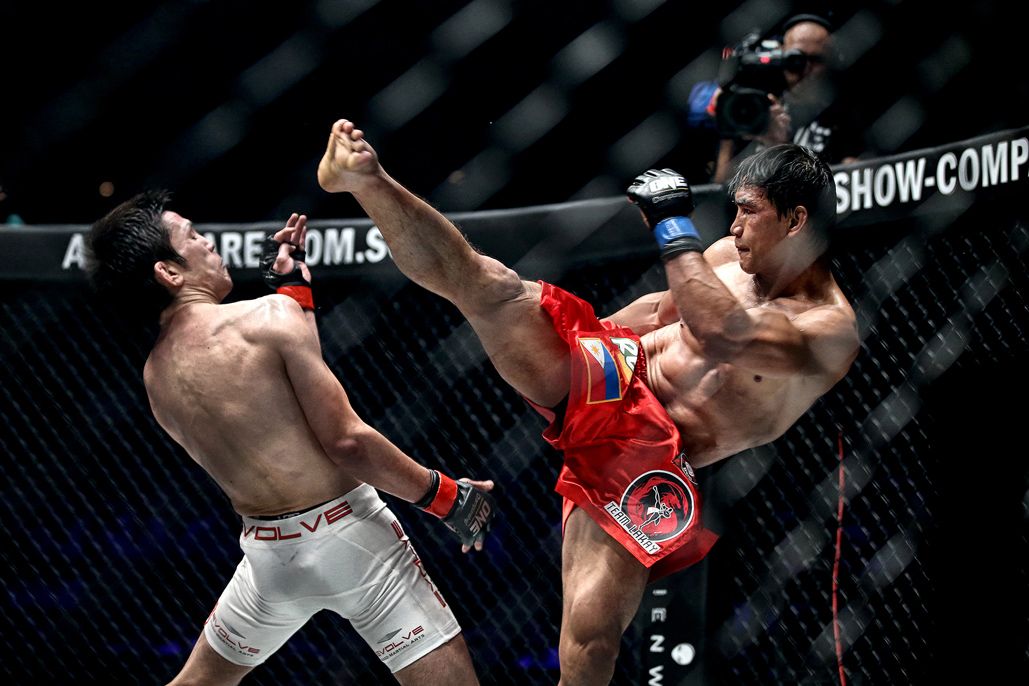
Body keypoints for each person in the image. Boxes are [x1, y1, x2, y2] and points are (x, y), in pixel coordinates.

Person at [316, 118, 860, 685]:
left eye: (749, 211)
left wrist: (672, 225)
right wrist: (571, 341)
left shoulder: (829, 330)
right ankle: (366, 178)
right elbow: (659, 311)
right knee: (493, 287)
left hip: (651, 453)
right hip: (613, 373)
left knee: (592, 636)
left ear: (796, 220)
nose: (735, 225)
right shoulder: (727, 256)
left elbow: (726, 334)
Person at [83, 193, 496, 685]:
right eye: (192, 236)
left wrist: (293, 289)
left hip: (268, 563)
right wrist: (446, 497)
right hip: (353, 539)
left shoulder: (156, 376)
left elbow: (287, 404)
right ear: (169, 272)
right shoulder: (266, 318)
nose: (208, 243)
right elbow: (346, 442)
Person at [708, 12, 864, 183]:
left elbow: (853, 184)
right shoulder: (756, 102)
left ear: (832, 61)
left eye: (815, 59)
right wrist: (727, 121)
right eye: (795, 59)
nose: (805, 68)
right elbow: (722, 189)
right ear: (781, 55)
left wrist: (780, 146)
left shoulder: (846, 114)